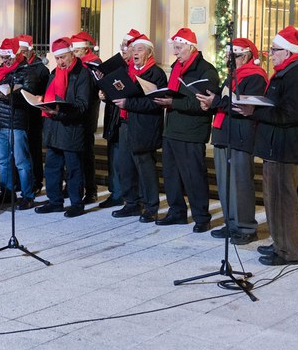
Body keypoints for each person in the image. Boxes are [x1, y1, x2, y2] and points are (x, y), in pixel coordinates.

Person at [233, 26, 298, 266]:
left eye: (275, 50)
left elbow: (291, 114)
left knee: (283, 200)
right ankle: (279, 244)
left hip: (286, 149)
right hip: (275, 147)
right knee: (273, 199)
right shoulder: (284, 73)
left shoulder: (296, 74)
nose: (270, 54)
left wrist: (254, 111)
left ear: (288, 52)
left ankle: (289, 252)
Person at [197, 38, 266, 243]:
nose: (228, 59)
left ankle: (246, 228)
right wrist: (209, 102)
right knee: (225, 183)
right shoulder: (232, 76)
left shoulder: (255, 76)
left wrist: (216, 102)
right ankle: (231, 223)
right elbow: (225, 99)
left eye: (232, 56)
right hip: (223, 133)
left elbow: (244, 106)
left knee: (240, 182)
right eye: (228, 55)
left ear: (245, 56)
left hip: (240, 134)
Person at [153, 28, 219, 231]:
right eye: (174, 47)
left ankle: (201, 217)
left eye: (179, 47)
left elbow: (203, 104)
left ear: (191, 47)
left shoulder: (206, 71)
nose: (175, 52)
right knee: (171, 175)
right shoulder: (177, 67)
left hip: (192, 132)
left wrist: (173, 102)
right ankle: (177, 212)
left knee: (194, 176)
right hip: (172, 129)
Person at [111, 35, 167, 223]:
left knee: (145, 167)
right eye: (133, 50)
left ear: (149, 53)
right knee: (125, 165)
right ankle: (131, 203)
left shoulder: (156, 74)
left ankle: (151, 207)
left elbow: (155, 103)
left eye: (140, 50)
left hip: (145, 126)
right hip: (126, 124)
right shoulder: (128, 71)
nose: (135, 53)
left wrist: (129, 103)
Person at [34, 37, 91, 218]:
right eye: (57, 59)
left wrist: (59, 112)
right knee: (52, 167)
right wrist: (42, 101)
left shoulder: (82, 74)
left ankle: (76, 203)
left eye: (63, 58)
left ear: (72, 54)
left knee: (73, 169)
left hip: (71, 128)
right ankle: (55, 201)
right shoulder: (54, 72)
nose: (60, 62)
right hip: (53, 128)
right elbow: (51, 95)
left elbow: (82, 105)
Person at [0, 37, 40, 209]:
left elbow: (29, 94)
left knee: (21, 161)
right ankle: (7, 193)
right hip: (0, 119)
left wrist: (9, 95)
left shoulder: (28, 71)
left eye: (8, 57)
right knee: (3, 160)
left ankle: (27, 195)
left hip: (16, 121)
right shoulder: (1, 69)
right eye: (3, 57)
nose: (5, 60)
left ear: (17, 54)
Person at [97, 29, 141, 209]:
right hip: (113, 118)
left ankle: (130, 196)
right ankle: (115, 193)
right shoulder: (117, 66)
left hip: (129, 120)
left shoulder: (137, 69)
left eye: (127, 46)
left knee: (126, 161)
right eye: (122, 45)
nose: (123, 49)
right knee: (113, 157)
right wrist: (104, 93)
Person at [17, 34, 49, 194]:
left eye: (24, 51)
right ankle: (20, 182)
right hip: (19, 115)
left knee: (34, 150)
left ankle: (37, 181)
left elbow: (43, 92)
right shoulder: (18, 66)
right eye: (19, 52)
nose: (21, 55)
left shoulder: (41, 69)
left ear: (30, 51)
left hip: (34, 116)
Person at [71, 30, 101, 203]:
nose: (75, 55)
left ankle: (91, 189)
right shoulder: (75, 63)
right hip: (75, 112)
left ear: (84, 50)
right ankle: (74, 186)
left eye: (76, 52)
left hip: (88, 112)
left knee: (87, 153)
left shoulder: (94, 63)